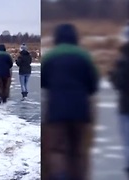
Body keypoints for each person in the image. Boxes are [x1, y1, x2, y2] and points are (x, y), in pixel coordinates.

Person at [41, 24, 99, 180]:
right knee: (78, 151)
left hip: (56, 110)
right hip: (81, 110)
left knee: (56, 150)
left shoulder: (50, 56)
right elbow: (93, 85)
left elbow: (44, 82)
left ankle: (60, 176)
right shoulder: (84, 56)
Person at [109, 40, 129, 178]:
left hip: (126, 106)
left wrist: (113, 74)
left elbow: (118, 84)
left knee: (127, 138)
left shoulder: (122, 65)